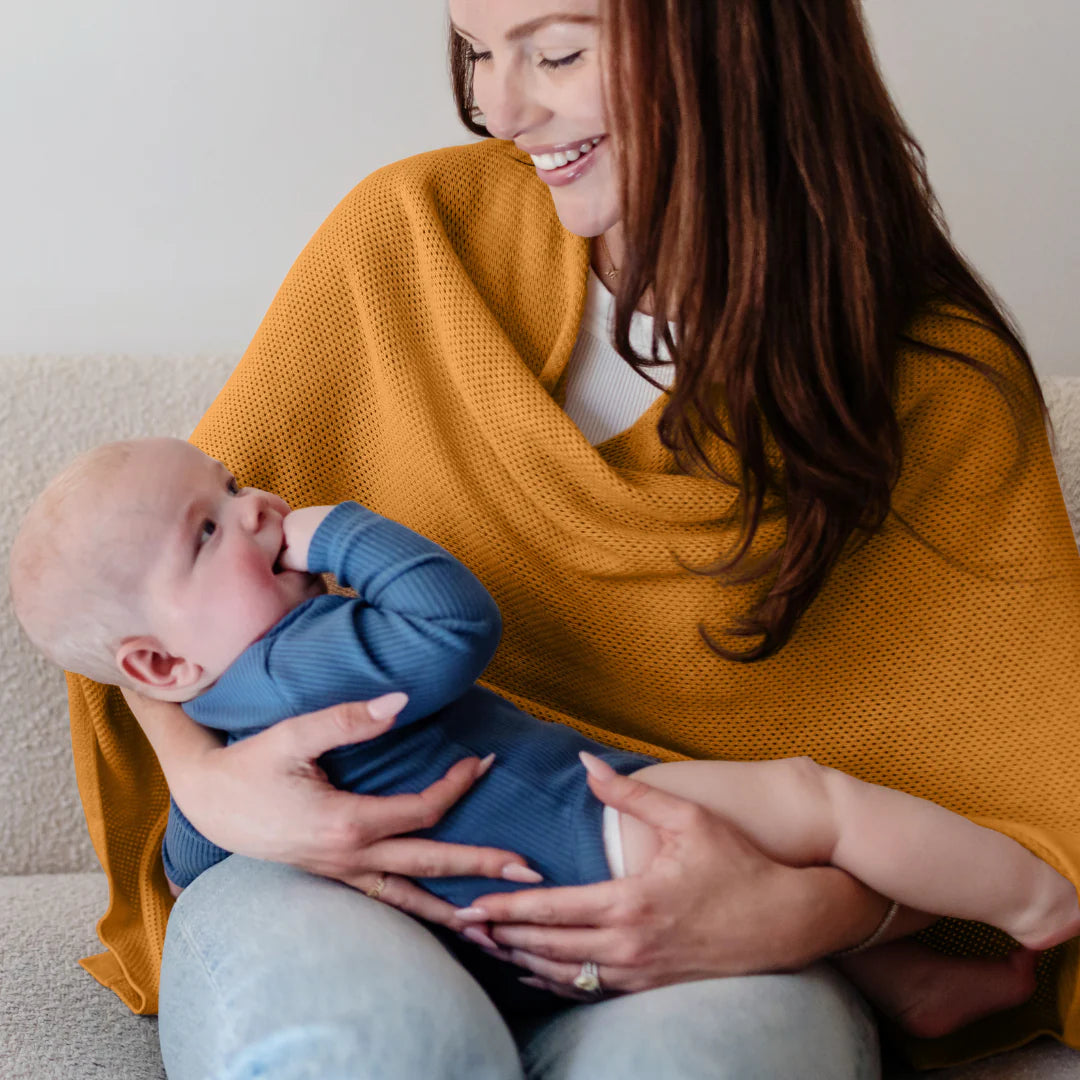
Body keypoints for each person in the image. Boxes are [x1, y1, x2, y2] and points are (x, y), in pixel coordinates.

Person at [60, 1, 1080, 1078]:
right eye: (477, 51)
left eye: (556, 51)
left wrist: (808, 920)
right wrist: (204, 783)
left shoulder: (929, 389)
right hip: (323, 880)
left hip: (711, 932)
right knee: (365, 1053)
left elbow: (1022, 814)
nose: (501, 108)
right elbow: (137, 586)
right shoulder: (412, 240)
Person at [13, 435, 1079, 1041]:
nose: (260, 511)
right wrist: (339, 529)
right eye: (211, 527)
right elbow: (453, 625)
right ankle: (1038, 899)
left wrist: (203, 804)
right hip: (588, 832)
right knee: (815, 802)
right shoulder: (306, 651)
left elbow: (195, 867)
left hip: (514, 938)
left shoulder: (235, 723)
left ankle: (916, 987)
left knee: (786, 887)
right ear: (155, 667)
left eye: (236, 489)